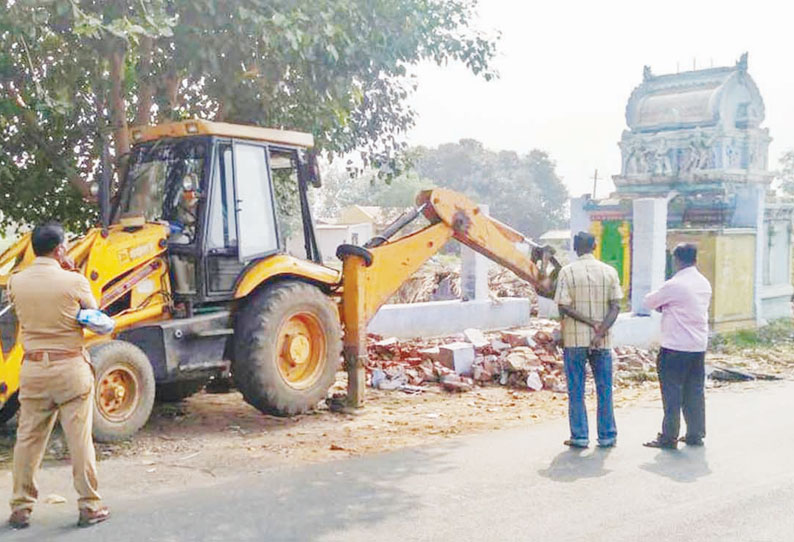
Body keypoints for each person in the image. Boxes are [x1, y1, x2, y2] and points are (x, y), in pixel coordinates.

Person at [7, 222, 110, 529]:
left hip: (34, 370)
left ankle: (20, 508)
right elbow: (96, 318)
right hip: (70, 369)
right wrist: (71, 270)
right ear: (60, 248)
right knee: (79, 441)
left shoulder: (16, 282)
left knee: (27, 440)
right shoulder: (73, 282)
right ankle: (90, 506)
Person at [554, 232, 622, 448]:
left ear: (575, 248)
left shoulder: (567, 272)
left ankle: (580, 436)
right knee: (604, 388)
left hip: (574, 340)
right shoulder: (609, 272)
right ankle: (607, 435)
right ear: (595, 245)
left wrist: (588, 322)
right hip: (602, 341)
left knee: (576, 389)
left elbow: (563, 306)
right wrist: (600, 330)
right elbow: (616, 306)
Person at [642, 243, 712, 450]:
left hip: (675, 346)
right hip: (697, 345)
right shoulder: (703, 283)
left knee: (672, 392)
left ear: (676, 260)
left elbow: (649, 302)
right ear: (695, 259)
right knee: (694, 390)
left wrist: (665, 306)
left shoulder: (675, 284)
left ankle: (669, 436)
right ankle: (695, 433)